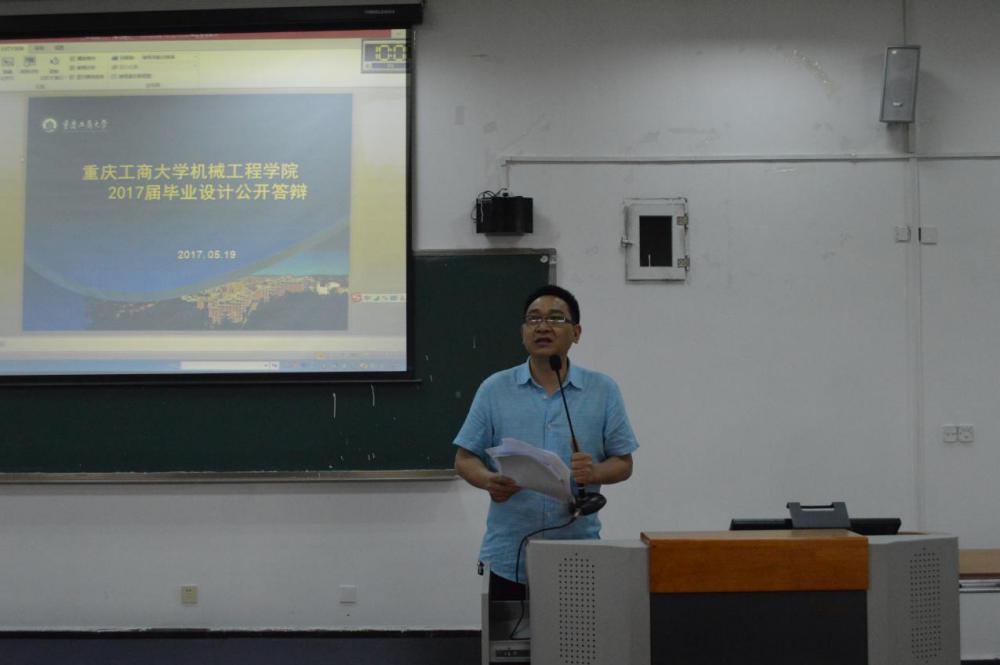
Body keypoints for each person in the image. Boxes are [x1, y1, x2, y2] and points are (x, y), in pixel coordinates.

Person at [453, 285, 638, 600]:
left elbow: (624, 464)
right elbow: (464, 458)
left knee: (576, 633)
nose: (543, 326)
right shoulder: (494, 389)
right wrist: (488, 480)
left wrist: (594, 472)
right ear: (523, 332)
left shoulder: (603, 390)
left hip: (578, 552)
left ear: (576, 333)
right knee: (509, 632)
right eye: (533, 319)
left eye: (555, 318)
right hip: (509, 553)